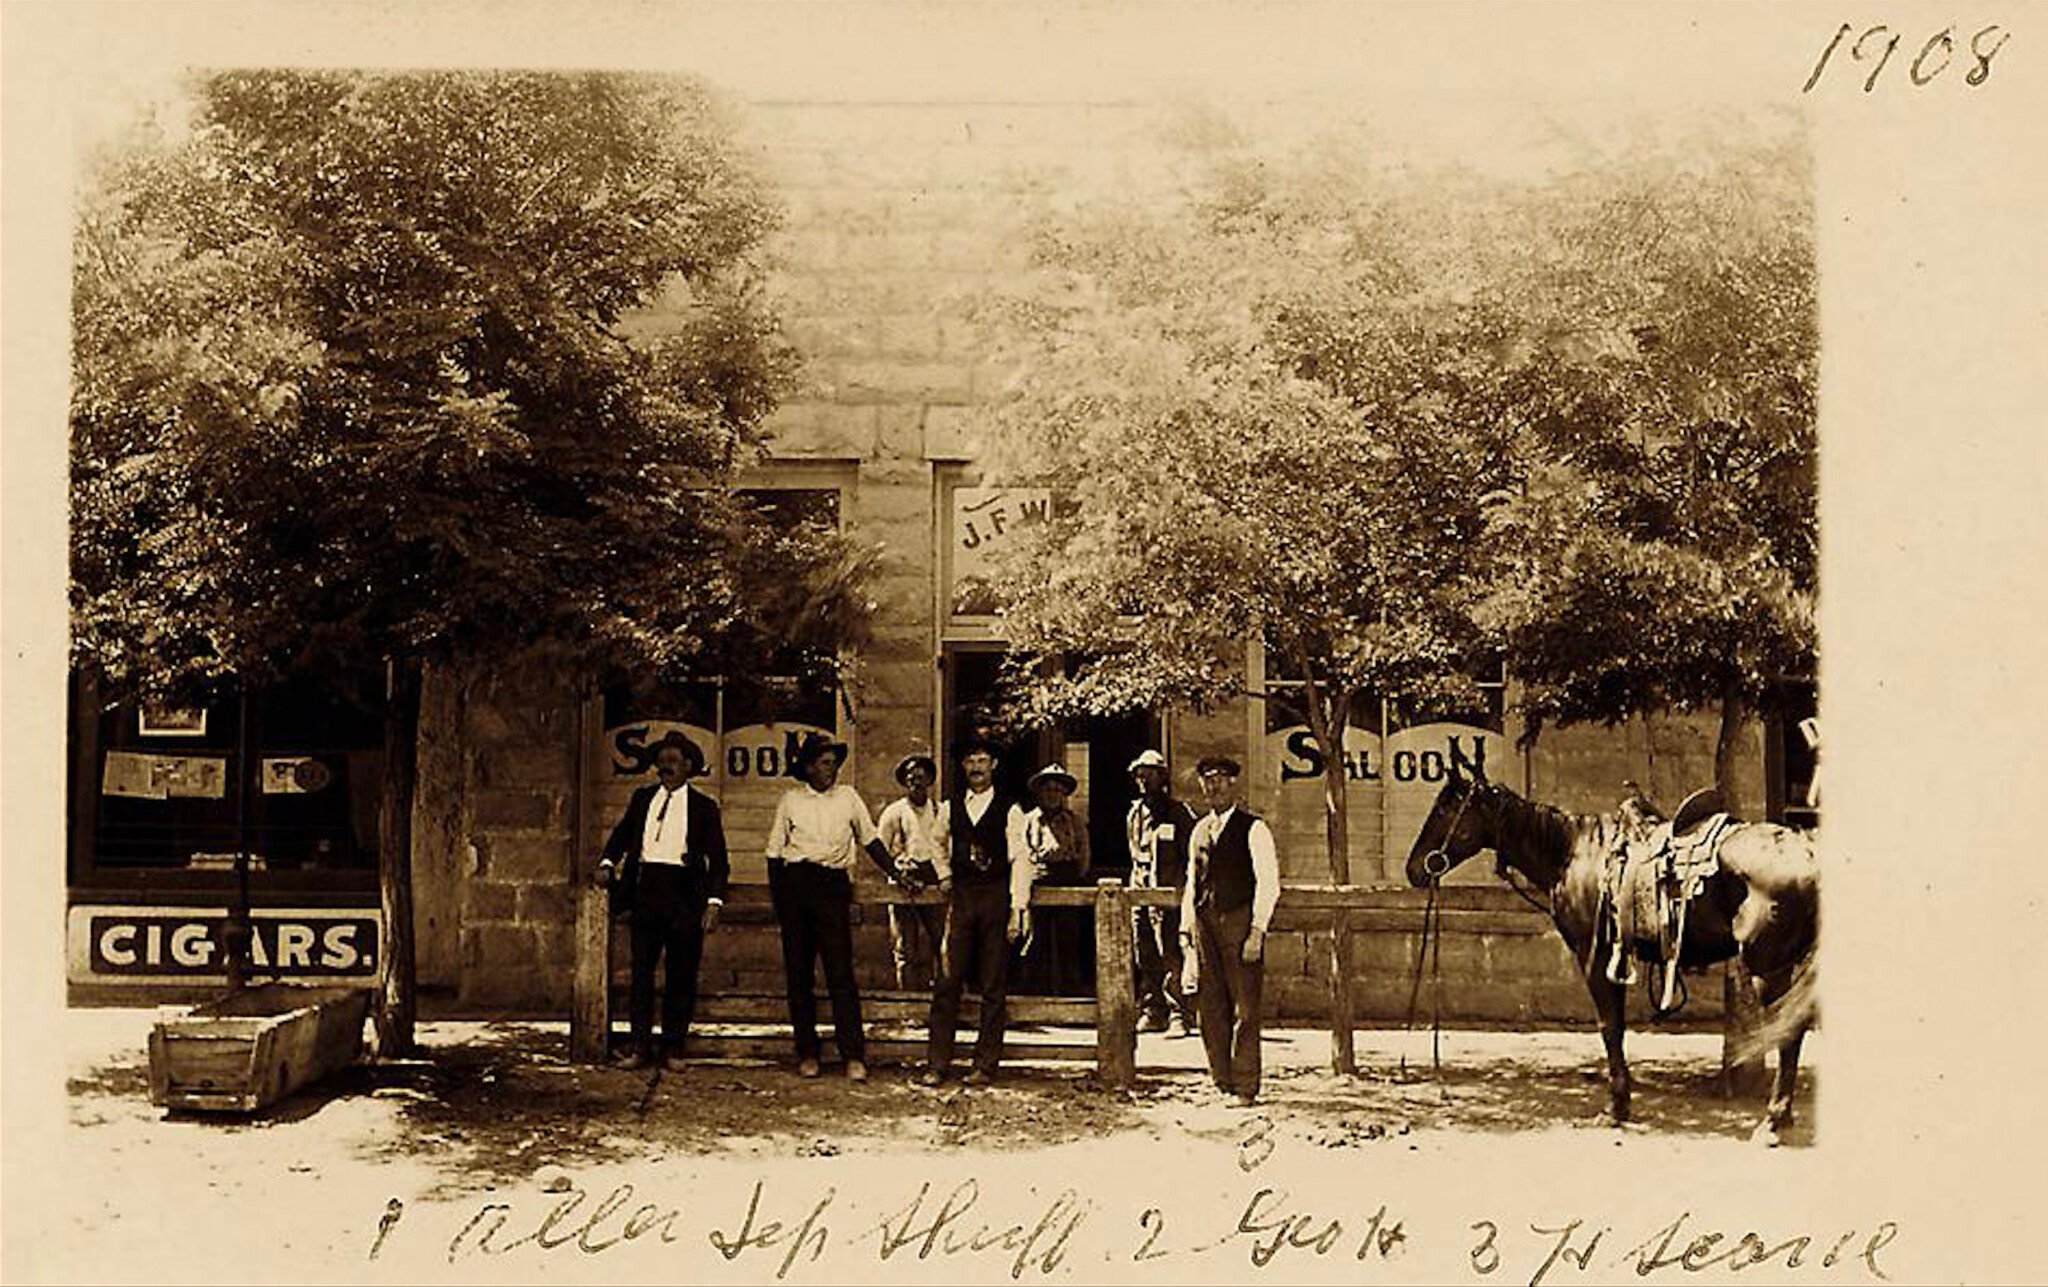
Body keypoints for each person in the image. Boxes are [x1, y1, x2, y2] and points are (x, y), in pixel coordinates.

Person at [763, 730, 907, 1082]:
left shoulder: (848, 797)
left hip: (832, 887)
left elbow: (871, 839)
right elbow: (774, 854)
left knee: (840, 973)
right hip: (797, 886)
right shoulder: (791, 800)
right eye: (825, 763)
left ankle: (853, 1055)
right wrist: (783, 904)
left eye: (834, 763)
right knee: (799, 974)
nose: (832, 770)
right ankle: (808, 1052)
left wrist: (896, 874)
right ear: (809, 767)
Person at [595, 730, 729, 1072]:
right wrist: (607, 864)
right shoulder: (642, 798)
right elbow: (622, 836)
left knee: (681, 974)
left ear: (688, 766)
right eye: (661, 761)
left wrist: (713, 901)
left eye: (673, 761)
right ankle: (639, 1046)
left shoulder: (703, 807)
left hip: (685, 895)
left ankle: (673, 1048)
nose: (665, 767)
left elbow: (719, 860)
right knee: (641, 972)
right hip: (647, 890)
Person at [920, 733, 1033, 1087]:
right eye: (970, 761)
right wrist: (944, 875)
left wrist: (1018, 907)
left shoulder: (1010, 808)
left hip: (996, 898)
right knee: (948, 980)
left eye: (982, 761)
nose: (976, 767)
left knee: (992, 985)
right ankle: (937, 1064)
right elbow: (936, 844)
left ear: (993, 766)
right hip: (963, 899)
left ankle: (985, 1065)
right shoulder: (951, 807)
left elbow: (1020, 859)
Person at [1180, 755, 1281, 1106]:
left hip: (1240, 924)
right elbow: (1191, 885)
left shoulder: (1254, 829)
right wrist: (1187, 932)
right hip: (1205, 925)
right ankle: (1221, 1080)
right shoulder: (1198, 831)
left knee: (1245, 1010)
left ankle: (1245, 1086)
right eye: (1208, 780)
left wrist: (1257, 931)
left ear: (1233, 784)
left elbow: (1269, 883)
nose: (1215, 786)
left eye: (1221, 779)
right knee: (1210, 1008)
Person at [1126, 749, 1198, 1036]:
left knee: (1170, 953)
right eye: (1139, 773)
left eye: (1150, 773)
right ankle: (1152, 1009)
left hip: (1169, 896)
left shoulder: (1179, 814)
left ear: (1163, 777)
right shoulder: (1134, 813)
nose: (1144, 778)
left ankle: (1179, 1013)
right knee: (1144, 952)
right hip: (1140, 891)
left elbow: (1191, 857)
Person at [1017, 762, 1091, 995]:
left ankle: (1071, 992)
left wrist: (1075, 876)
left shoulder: (1074, 821)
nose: (1052, 795)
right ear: (1039, 793)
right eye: (1048, 790)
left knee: (1069, 939)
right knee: (1036, 940)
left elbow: (1084, 854)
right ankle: (1034, 993)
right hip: (1037, 884)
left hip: (1067, 882)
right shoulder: (1029, 820)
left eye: (1058, 791)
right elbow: (1022, 852)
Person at [877, 749, 947, 990]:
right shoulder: (894, 812)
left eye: (921, 776)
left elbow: (947, 845)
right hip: (903, 881)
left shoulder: (939, 810)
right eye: (911, 777)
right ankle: (908, 1003)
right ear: (905, 781)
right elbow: (879, 849)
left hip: (933, 879)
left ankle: (941, 999)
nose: (916, 781)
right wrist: (898, 869)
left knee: (940, 941)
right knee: (906, 945)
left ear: (929, 780)